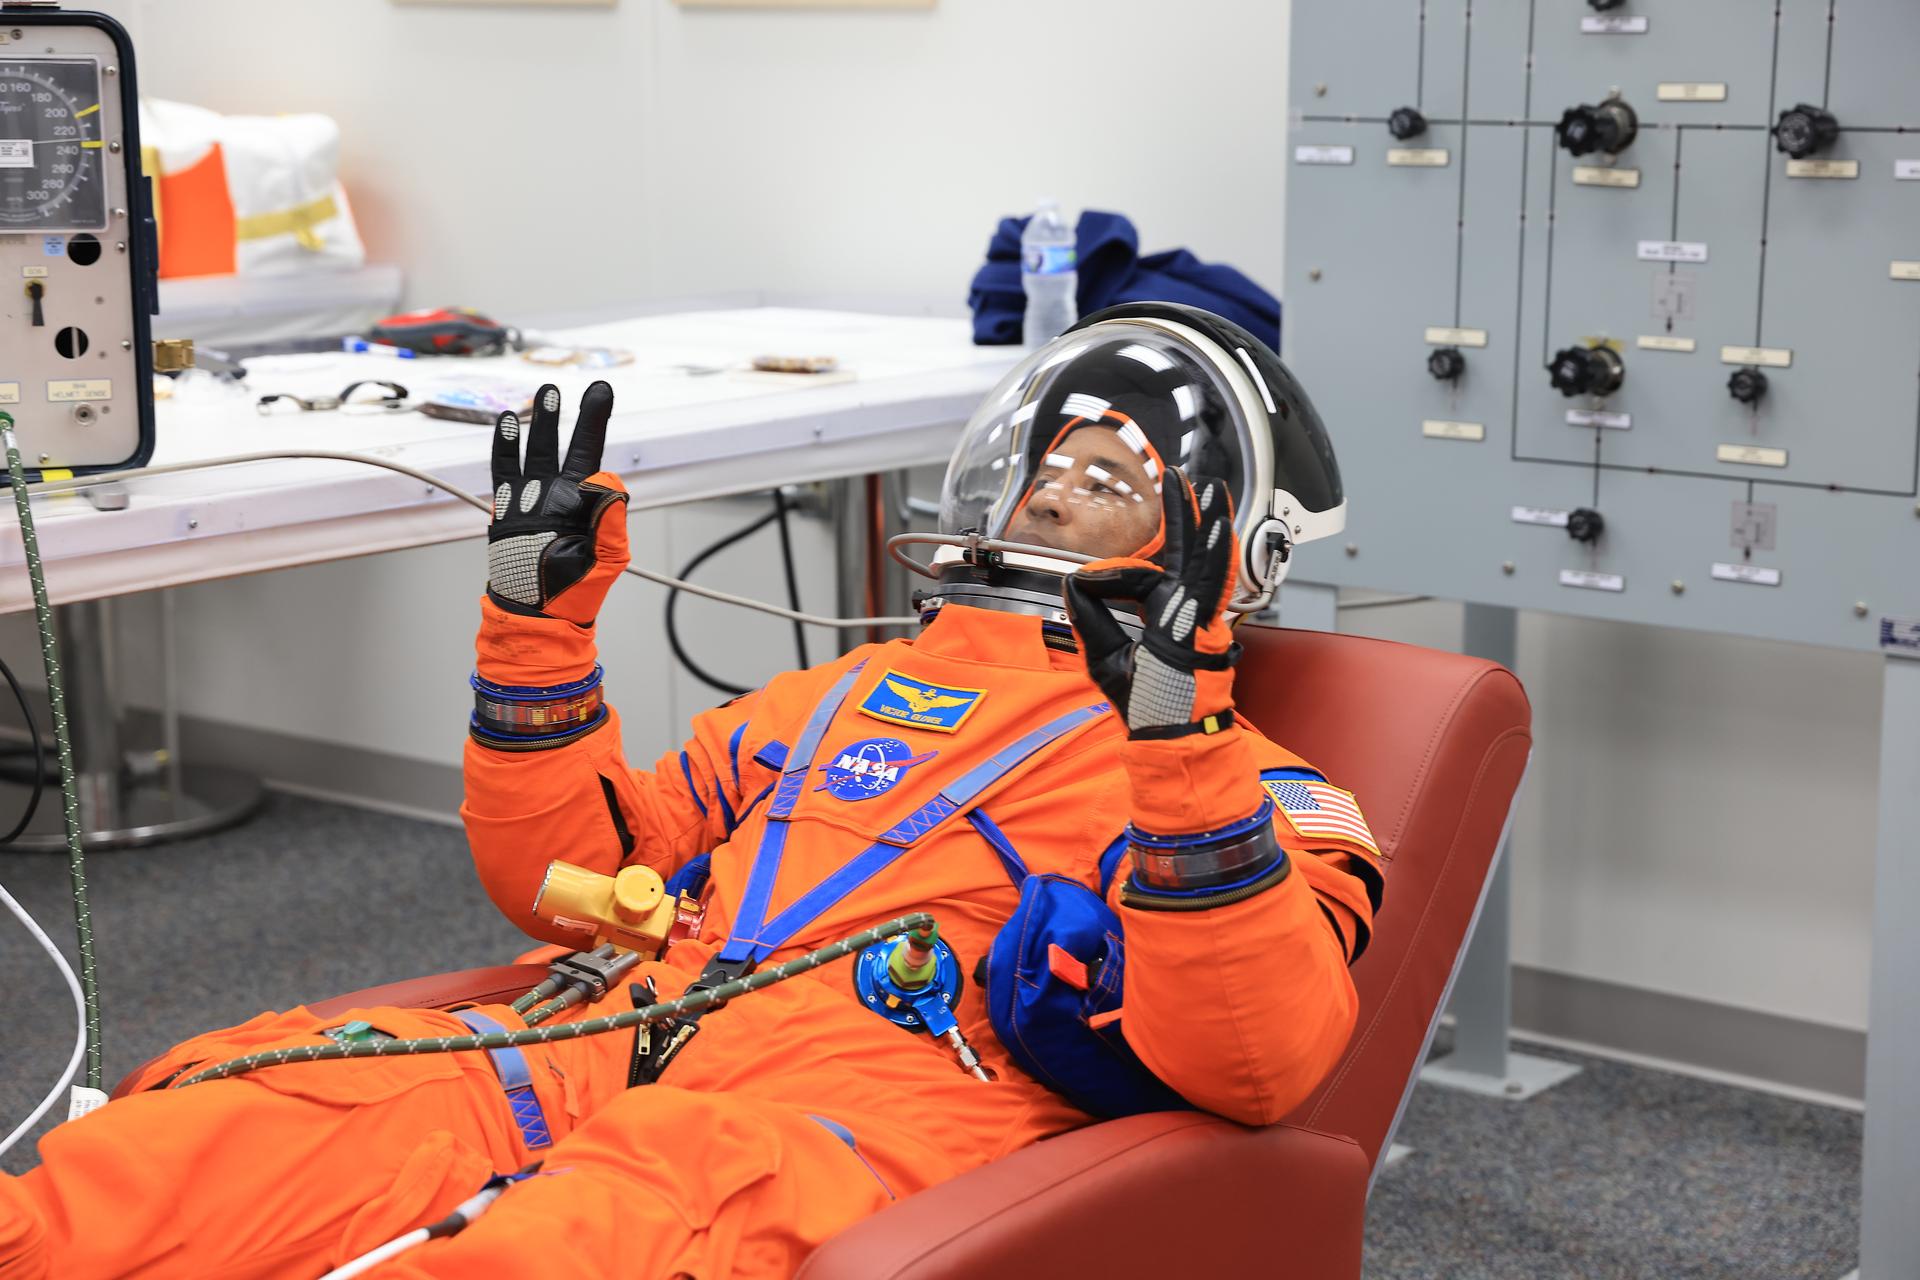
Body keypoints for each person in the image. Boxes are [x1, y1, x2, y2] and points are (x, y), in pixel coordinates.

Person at [0, 304, 1381, 1279]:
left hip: (840, 1122)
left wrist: (1178, 743)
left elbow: (1251, 1064)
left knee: (548, 1256)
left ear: (1217, 550)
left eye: (1113, 476)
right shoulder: (838, 695)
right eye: (1053, 462)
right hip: (602, 1037)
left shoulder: (1261, 792)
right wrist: (537, 635)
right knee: (187, 1150)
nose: (1058, 490)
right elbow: (565, 882)